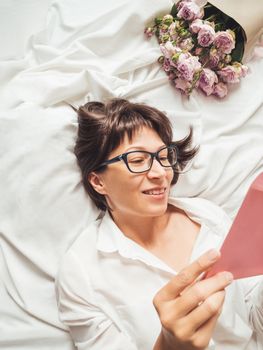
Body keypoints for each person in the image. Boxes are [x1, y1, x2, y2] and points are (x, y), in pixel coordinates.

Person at [56, 98, 263, 350]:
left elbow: (253, 315)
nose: (160, 173)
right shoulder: (81, 273)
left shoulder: (208, 216)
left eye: (164, 156)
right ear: (98, 182)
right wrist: (169, 345)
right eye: (137, 160)